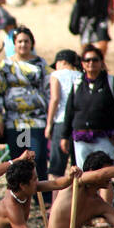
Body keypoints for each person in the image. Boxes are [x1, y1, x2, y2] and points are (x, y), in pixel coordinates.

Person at [60, 45, 114, 207]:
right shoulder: (77, 83)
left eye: (95, 60)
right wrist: (64, 136)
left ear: (101, 62)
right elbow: (69, 110)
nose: (91, 63)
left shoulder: (112, 83)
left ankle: (105, 212)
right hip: (81, 138)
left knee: (104, 176)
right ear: (82, 64)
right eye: (87, 60)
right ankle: (86, 212)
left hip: (105, 137)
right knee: (83, 177)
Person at [0, 26, 49, 186]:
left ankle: (43, 197)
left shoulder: (40, 64)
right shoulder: (6, 65)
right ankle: (20, 195)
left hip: (37, 120)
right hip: (16, 121)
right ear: (14, 44)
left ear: (32, 43)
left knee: (38, 157)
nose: (23, 45)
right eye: (19, 41)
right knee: (20, 158)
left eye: (26, 41)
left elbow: (48, 90)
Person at [45, 49, 81, 180]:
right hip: (78, 123)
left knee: (56, 168)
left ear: (63, 62)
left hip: (61, 122)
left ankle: (56, 199)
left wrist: (49, 124)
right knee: (78, 165)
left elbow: (55, 99)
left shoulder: (56, 75)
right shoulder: (81, 75)